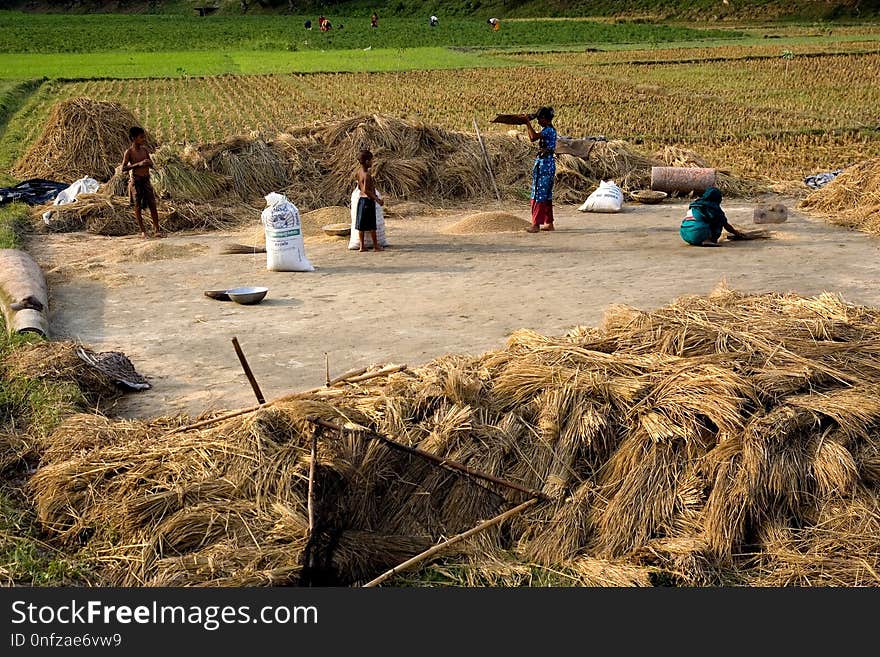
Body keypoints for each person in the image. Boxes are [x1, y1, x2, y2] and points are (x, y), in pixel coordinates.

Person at [121, 126, 163, 239]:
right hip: (137, 181)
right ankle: (143, 231)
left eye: (143, 137)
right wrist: (138, 164)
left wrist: (149, 163)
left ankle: (157, 229)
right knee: (138, 206)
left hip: (146, 180)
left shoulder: (144, 150)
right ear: (134, 138)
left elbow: (151, 164)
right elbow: (123, 168)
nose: (143, 139)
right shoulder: (129, 152)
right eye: (141, 137)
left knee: (152, 204)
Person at [521, 107, 557, 233]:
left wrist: (527, 123)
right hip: (549, 164)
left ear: (546, 120)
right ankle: (549, 223)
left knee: (538, 194)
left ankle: (536, 225)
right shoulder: (551, 130)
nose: (538, 122)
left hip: (544, 165)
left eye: (540, 119)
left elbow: (532, 137)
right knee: (547, 196)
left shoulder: (547, 130)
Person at [679, 187, 745, 246]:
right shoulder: (713, 208)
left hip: (684, 234)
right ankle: (707, 240)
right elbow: (726, 225)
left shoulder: (696, 204)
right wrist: (737, 234)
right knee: (719, 221)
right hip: (697, 233)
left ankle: (698, 239)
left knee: (704, 220)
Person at [355, 149, 384, 252]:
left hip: (361, 201)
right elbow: (366, 190)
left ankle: (362, 246)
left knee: (361, 225)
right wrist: (377, 200)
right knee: (372, 225)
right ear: (367, 161)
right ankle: (376, 246)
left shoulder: (359, 172)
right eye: (371, 160)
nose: (372, 162)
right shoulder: (367, 175)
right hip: (368, 201)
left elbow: (359, 186)